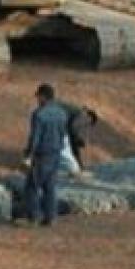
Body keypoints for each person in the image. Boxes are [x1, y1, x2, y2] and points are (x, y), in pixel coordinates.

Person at [22, 83, 69, 226]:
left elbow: (35, 137)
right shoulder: (62, 113)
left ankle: (34, 217)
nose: (37, 100)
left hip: (42, 154)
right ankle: (51, 217)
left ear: (43, 97)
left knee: (32, 186)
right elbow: (63, 134)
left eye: (39, 97)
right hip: (55, 153)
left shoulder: (39, 115)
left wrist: (29, 154)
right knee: (50, 186)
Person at [57, 101, 99, 173]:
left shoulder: (78, 112)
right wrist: (77, 139)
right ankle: (79, 168)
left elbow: (71, 128)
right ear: (90, 118)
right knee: (73, 147)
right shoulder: (81, 115)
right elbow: (72, 129)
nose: (86, 125)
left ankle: (79, 167)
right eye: (89, 123)